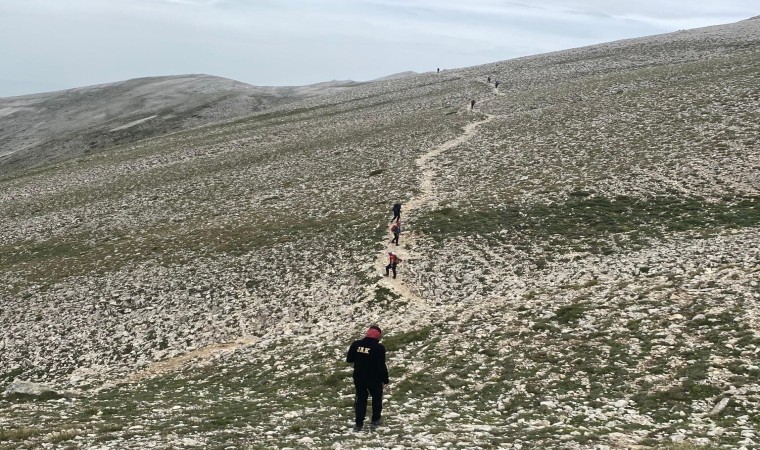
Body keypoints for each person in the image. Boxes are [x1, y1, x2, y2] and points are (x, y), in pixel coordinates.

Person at [346, 325, 389, 432]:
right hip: (374, 378)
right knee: (376, 398)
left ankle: (358, 424)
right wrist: (385, 379)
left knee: (361, 399)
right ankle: (375, 420)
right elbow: (381, 366)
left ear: (367, 333)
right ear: (378, 336)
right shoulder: (379, 348)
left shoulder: (356, 344)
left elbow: (349, 359)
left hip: (359, 377)